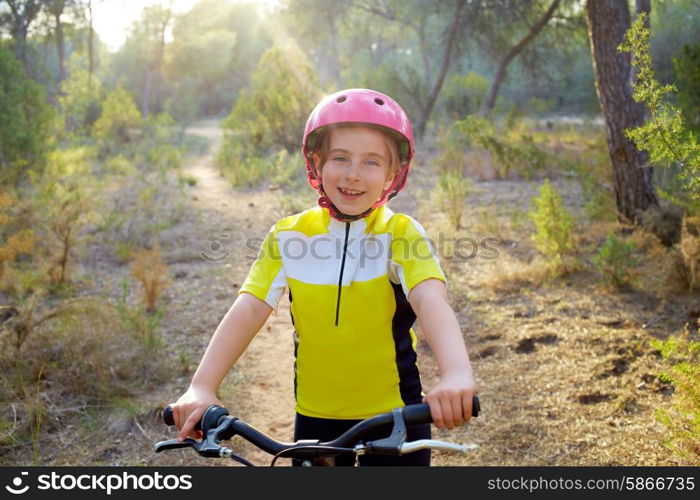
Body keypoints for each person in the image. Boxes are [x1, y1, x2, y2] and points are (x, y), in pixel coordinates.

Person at [170, 88, 477, 466]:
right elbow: (249, 307)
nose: (352, 174)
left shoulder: (401, 233)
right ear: (316, 163)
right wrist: (202, 385)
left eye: (371, 162)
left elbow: (431, 300)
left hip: (397, 418)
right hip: (315, 422)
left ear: (392, 174)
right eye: (340, 158)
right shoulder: (288, 235)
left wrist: (456, 373)